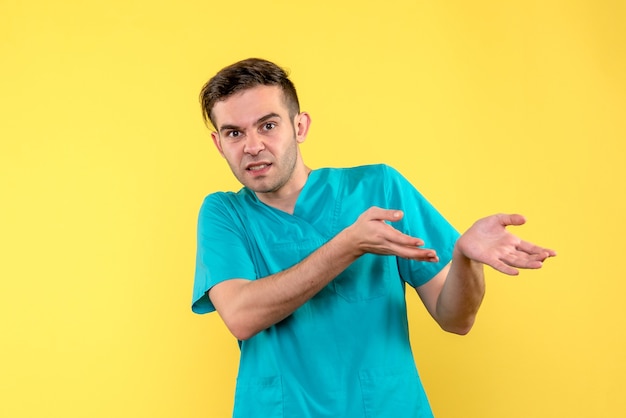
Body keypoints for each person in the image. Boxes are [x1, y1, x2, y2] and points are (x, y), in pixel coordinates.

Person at [191, 58, 556, 417]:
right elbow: (241, 315)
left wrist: (464, 258)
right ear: (218, 144)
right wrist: (349, 245)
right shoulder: (224, 215)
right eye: (234, 133)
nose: (252, 146)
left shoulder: (379, 187)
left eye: (267, 125)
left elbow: (456, 319)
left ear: (299, 127)